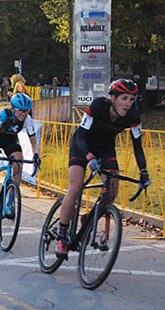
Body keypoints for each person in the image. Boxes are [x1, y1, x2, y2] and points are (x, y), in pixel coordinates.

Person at [54, 79, 151, 259]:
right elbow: (81, 134)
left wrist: (143, 172)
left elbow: (137, 146)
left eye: (132, 99)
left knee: (111, 191)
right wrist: (89, 157)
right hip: (82, 146)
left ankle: (88, 218)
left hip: (105, 148)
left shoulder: (133, 116)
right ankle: (61, 235)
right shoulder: (98, 106)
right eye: (124, 98)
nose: (128, 104)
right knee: (75, 188)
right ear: (113, 98)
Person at [0, 93, 41, 223]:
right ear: (14, 108)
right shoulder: (4, 115)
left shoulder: (27, 120)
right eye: (21, 111)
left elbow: (33, 142)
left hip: (10, 141)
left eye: (26, 111)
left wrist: (36, 155)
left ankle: (10, 202)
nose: (23, 114)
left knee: (18, 163)